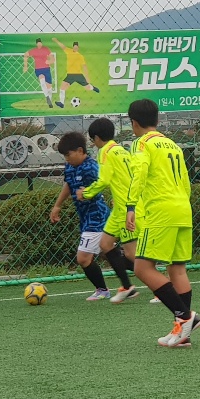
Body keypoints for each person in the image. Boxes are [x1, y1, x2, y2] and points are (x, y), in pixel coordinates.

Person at [126, 99, 200, 347]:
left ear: (134, 123)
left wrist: (130, 206)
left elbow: (138, 174)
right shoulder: (173, 144)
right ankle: (183, 332)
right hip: (182, 208)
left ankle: (186, 316)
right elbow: (185, 181)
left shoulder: (141, 143)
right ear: (158, 120)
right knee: (176, 269)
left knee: (141, 268)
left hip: (160, 211)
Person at [77, 118, 139, 302]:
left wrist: (86, 193)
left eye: (92, 140)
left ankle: (162, 286)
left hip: (125, 209)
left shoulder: (105, 152)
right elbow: (126, 177)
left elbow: (103, 180)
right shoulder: (121, 150)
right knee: (105, 245)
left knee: (132, 255)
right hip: (121, 206)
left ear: (96, 138)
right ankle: (127, 286)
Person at [52, 132, 118, 301]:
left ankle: (102, 290)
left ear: (80, 150)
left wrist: (90, 194)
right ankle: (144, 271)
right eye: (64, 156)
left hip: (97, 217)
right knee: (108, 253)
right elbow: (68, 184)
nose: (67, 158)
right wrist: (57, 205)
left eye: (68, 154)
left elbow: (104, 182)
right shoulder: (70, 167)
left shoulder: (91, 167)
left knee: (83, 258)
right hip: (86, 218)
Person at [52, 37, 100, 106]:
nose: (75, 48)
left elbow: (84, 66)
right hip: (70, 75)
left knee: (87, 87)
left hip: (78, 75)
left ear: (78, 48)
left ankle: (93, 88)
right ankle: (61, 103)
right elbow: (63, 46)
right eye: (74, 47)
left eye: (76, 47)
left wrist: (87, 77)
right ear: (73, 47)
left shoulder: (80, 56)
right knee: (62, 87)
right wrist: (56, 41)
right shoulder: (68, 51)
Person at [25, 38, 60, 108]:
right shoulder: (34, 51)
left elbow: (52, 58)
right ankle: (47, 97)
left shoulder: (46, 49)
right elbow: (26, 55)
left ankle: (49, 100)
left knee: (49, 87)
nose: (39, 44)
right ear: (36, 44)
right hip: (38, 69)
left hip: (46, 69)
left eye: (40, 43)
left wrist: (49, 61)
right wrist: (25, 66)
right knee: (42, 80)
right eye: (38, 43)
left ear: (41, 43)